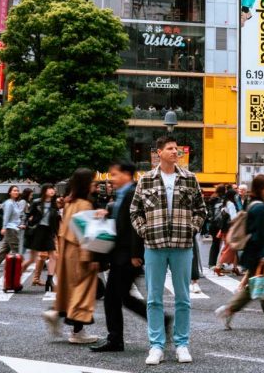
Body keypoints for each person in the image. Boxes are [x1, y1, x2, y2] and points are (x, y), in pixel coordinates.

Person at [131, 136, 206, 365]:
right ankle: (156, 346)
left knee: (183, 298)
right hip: (154, 246)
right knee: (154, 299)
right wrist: (145, 232)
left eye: (177, 149)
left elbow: (201, 210)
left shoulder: (189, 179)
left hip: (182, 246)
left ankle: (182, 344)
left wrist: (191, 229)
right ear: (159, 153)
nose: (175, 152)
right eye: (170, 148)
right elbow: (135, 212)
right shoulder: (146, 181)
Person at [214, 174, 264, 332]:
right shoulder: (261, 208)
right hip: (261, 253)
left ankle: (231, 310)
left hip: (257, 252)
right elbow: (261, 234)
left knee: (257, 286)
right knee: (261, 286)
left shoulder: (254, 204)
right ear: (261, 188)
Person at [92, 161, 147, 352]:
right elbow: (121, 222)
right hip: (120, 255)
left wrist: (135, 254)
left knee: (115, 298)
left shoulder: (133, 193)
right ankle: (116, 339)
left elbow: (135, 225)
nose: (111, 179)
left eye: (114, 175)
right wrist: (106, 214)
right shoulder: (122, 194)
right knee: (120, 298)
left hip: (127, 256)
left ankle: (115, 340)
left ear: (126, 174)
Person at [44, 168, 101, 345]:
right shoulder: (84, 204)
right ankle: (77, 332)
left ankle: (57, 313)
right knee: (82, 292)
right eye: (92, 181)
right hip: (80, 253)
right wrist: (90, 258)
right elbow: (85, 236)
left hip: (67, 252)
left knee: (71, 290)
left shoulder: (70, 202)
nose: (95, 185)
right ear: (85, 183)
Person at [26, 184, 59, 288]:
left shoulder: (54, 204)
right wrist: (25, 224)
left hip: (49, 232)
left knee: (53, 256)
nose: (52, 190)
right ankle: (17, 278)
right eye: (50, 189)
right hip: (38, 231)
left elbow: (55, 220)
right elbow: (27, 215)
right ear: (44, 191)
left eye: (53, 189)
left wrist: (56, 233)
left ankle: (49, 281)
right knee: (33, 258)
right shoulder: (37, 202)